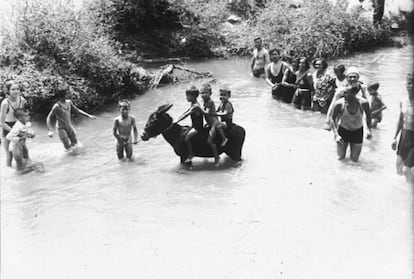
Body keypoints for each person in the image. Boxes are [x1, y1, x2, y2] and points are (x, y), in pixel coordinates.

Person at [46, 84, 96, 152]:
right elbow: (49, 117)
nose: (69, 94)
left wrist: (89, 115)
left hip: (69, 126)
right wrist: (50, 130)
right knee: (68, 149)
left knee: (76, 145)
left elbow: (77, 110)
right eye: (67, 93)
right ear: (63, 95)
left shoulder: (69, 102)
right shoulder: (57, 106)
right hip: (61, 128)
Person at [331, 85, 372, 162]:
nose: (344, 95)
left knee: (354, 160)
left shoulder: (363, 103)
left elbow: (369, 116)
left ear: (354, 93)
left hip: (358, 132)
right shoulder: (339, 104)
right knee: (340, 158)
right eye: (344, 92)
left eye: (346, 93)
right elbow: (332, 119)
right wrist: (336, 135)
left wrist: (369, 130)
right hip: (343, 131)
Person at [392, 73, 414, 180]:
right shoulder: (403, 101)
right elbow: (400, 120)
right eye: (409, 83)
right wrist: (394, 138)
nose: (411, 86)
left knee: (406, 170)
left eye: (413, 83)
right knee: (398, 169)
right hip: (404, 136)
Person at [0, 80, 28, 166]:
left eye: (17, 89)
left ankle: (27, 169)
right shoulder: (5, 103)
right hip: (7, 128)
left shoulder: (22, 100)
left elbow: (25, 116)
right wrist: (14, 132)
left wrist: (27, 129)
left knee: (24, 150)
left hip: (18, 126)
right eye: (13, 89)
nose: (16, 91)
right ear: (8, 91)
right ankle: (9, 174)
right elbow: (1, 123)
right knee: (9, 155)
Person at [175, 85, 204, 163]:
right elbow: (186, 112)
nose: (186, 98)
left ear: (194, 96)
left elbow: (186, 115)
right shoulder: (193, 104)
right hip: (193, 126)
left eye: (188, 96)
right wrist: (177, 119)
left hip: (198, 128)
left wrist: (177, 122)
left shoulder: (196, 106)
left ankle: (191, 154)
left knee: (186, 138)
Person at [200, 83, 227, 165]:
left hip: (214, 123)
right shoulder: (204, 101)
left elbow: (207, 113)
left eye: (206, 92)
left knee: (209, 141)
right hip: (209, 123)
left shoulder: (210, 102)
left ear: (210, 94)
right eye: (202, 93)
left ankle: (216, 157)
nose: (204, 94)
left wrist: (199, 108)